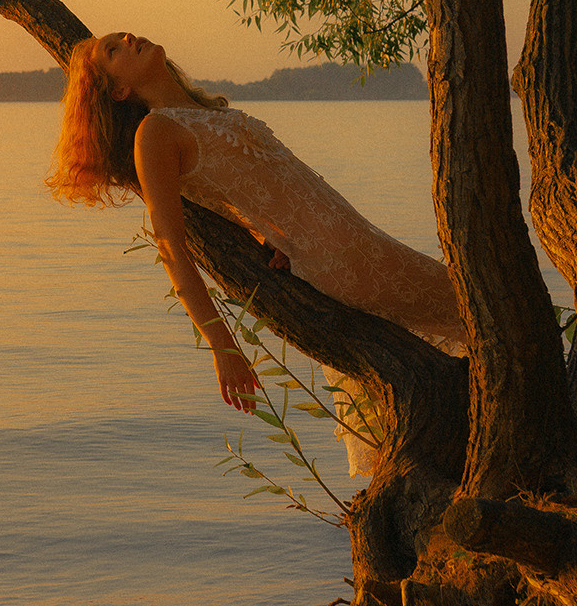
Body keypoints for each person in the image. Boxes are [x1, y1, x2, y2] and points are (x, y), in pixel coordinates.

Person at [48, 32, 467, 476]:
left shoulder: (208, 110)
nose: (129, 37)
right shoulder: (155, 134)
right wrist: (221, 345)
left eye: (122, 35)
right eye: (113, 50)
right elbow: (172, 247)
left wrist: (268, 236)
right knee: (474, 315)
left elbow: (247, 191)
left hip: (357, 239)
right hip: (336, 260)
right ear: (118, 91)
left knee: (471, 321)